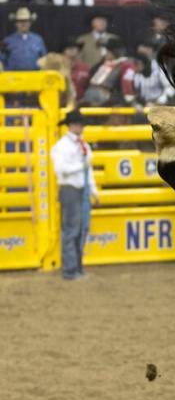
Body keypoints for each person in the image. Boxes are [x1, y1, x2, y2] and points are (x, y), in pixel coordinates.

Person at [51, 109, 99, 280]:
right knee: (72, 230)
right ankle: (71, 270)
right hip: (70, 189)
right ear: (71, 126)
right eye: (79, 124)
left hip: (81, 188)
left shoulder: (82, 144)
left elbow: (89, 169)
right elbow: (60, 170)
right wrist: (82, 166)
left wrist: (93, 190)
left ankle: (77, 268)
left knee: (81, 229)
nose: (81, 127)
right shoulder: (62, 146)